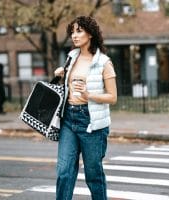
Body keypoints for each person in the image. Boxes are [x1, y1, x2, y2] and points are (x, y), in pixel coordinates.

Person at [54, 16, 117, 200]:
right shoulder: (71, 57)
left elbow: (112, 97)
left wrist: (90, 95)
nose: (74, 35)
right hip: (69, 119)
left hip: (91, 122)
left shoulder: (104, 62)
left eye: (79, 31)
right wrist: (61, 73)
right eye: (72, 32)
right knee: (64, 171)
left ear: (90, 34)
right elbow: (69, 85)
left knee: (93, 175)